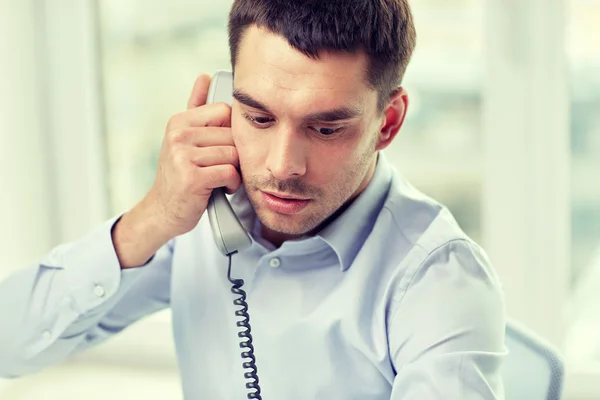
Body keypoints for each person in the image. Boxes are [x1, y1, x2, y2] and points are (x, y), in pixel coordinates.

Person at [0, 0, 506, 398]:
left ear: (388, 122)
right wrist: (153, 217)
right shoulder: (202, 215)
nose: (282, 165)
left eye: (326, 127)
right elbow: (9, 344)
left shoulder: (438, 278)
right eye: (259, 118)